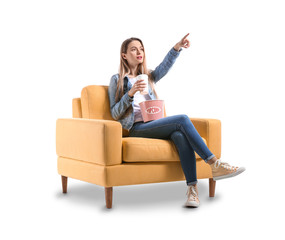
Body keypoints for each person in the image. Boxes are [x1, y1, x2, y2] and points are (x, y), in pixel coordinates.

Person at [108, 33, 245, 208]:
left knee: (180, 135)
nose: (139, 52)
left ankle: (192, 191)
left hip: (154, 123)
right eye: (133, 49)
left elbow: (164, 67)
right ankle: (214, 163)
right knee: (182, 119)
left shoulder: (148, 76)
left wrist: (177, 47)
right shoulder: (117, 80)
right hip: (136, 128)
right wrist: (131, 93)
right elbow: (114, 113)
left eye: (141, 49)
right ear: (124, 55)